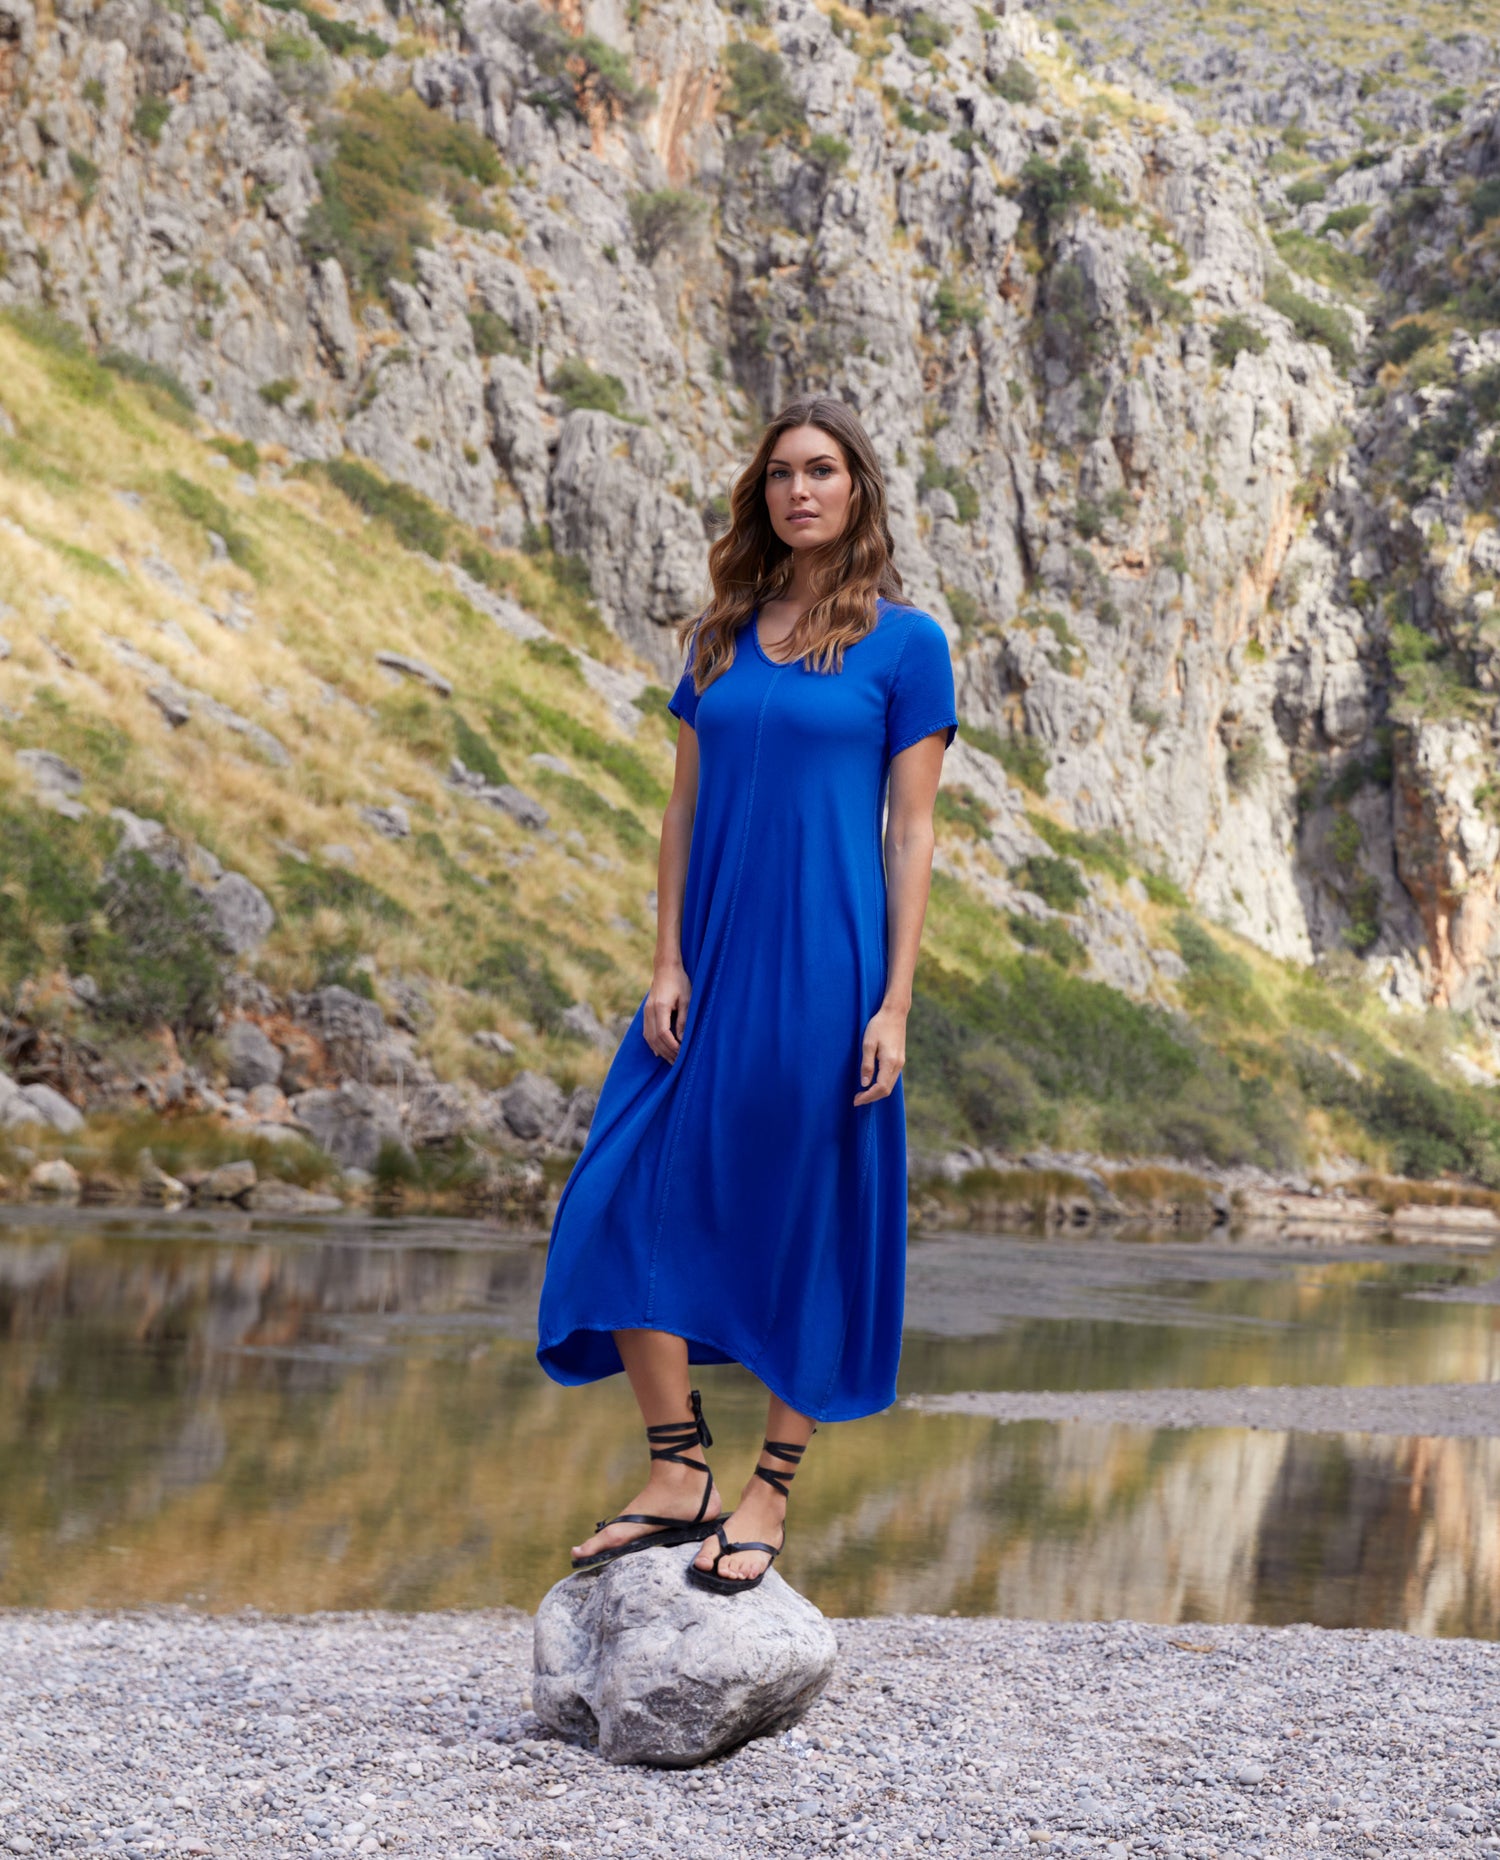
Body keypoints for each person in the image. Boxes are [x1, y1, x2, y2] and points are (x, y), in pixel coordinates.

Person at [535, 393, 958, 1593]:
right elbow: (681, 810)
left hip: (829, 968)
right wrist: (665, 960)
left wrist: (894, 1004)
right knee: (616, 1197)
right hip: (708, 965)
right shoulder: (718, 637)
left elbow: (911, 835)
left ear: (858, 489)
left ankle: (770, 1488)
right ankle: (679, 1469)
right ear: (760, 495)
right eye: (781, 474)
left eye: (822, 471)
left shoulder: (906, 645)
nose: (799, 491)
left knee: (807, 1217)